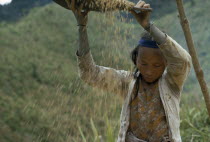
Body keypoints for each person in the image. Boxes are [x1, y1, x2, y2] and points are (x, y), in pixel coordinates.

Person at [70, 0, 191, 141]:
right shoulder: (128, 82)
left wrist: (148, 26)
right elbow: (89, 74)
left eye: (156, 65)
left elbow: (183, 61)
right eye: (143, 63)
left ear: (165, 64)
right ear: (135, 59)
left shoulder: (171, 83)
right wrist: (82, 27)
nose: (149, 71)